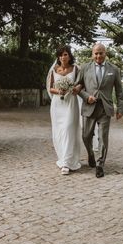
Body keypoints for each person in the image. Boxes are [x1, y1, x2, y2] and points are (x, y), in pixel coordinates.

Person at [76, 43, 123, 178]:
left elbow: (120, 91)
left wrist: (120, 108)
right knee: (86, 136)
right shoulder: (85, 68)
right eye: (96, 53)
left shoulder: (114, 69)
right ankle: (91, 154)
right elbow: (77, 87)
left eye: (101, 53)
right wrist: (86, 97)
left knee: (103, 137)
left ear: (105, 53)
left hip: (105, 108)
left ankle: (100, 165)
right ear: (92, 54)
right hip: (89, 107)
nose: (98, 56)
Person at [47, 45, 83, 175]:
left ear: (70, 56)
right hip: (57, 104)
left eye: (66, 54)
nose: (63, 57)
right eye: (61, 55)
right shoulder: (54, 70)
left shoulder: (75, 69)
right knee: (59, 132)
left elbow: (81, 83)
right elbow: (50, 88)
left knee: (69, 129)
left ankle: (67, 163)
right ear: (58, 57)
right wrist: (59, 91)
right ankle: (62, 158)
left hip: (71, 103)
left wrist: (76, 89)